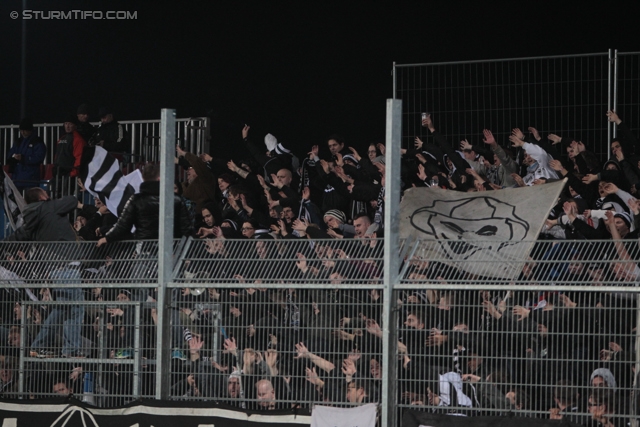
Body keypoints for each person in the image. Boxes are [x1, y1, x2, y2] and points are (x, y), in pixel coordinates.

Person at [4, 187, 85, 358]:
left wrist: (3, 243)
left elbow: (21, 235)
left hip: (56, 266)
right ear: (42, 196)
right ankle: (44, 345)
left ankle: (66, 349)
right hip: (66, 263)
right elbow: (71, 199)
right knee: (71, 308)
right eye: (46, 195)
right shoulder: (48, 207)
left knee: (68, 308)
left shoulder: (32, 216)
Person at [97, 163, 192, 246]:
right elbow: (186, 227)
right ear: (159, 179)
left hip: (145, 249)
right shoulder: (176, 199)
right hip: (172, 248)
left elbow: (123, 225)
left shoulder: (136, 200)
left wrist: (107, 238)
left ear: (143, 179)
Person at [7, 118, 46, 192]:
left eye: (25, 130)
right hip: (17, 178)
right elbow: (10, 153)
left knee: (30, 201)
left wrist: (23, 158)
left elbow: (39, 157)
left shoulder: (37, 142)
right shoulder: (18, 141)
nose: (23, 132)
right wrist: (13, 157)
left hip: (30, 180)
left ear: (30, 130)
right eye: (21, 130)